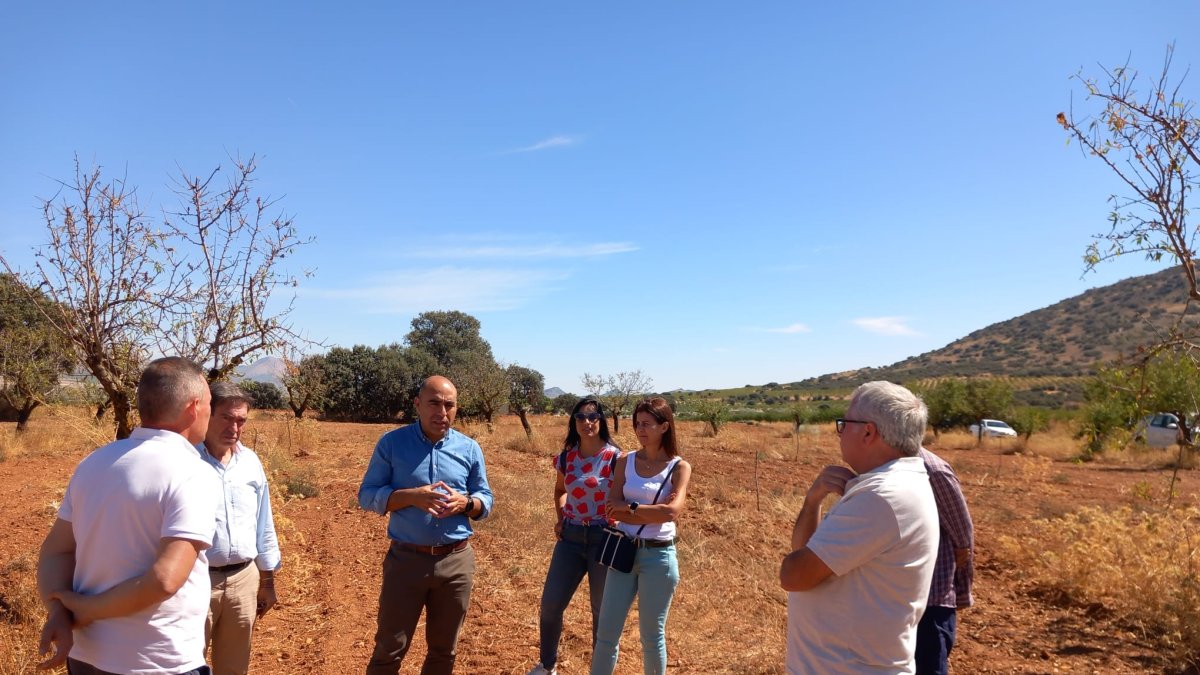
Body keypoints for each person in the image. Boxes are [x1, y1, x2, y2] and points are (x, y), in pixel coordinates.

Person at [36, 357, 220, 675]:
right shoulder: (192, 473)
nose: (210, 412)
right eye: (209, 403)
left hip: (85, 657)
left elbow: (56, 550)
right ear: (193, 407)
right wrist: (85, 609)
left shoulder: (94, 463)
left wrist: (59, 611)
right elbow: (164, 579)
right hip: (157, 662)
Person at [779, 381, 939, 674]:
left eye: (844, 423)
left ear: (868, 431)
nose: (840, 433)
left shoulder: (881, 496)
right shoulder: (892, 485)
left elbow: (794, 575)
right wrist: (812, 501)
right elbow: (805, 552)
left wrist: (795, 564)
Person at [358, 375, 494, 675]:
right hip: (406, 561)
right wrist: (410, 497)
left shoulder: (469, 449)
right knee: (389, 648)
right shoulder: (392, 444)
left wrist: (467, 504)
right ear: (417, 404)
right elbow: (366, 495)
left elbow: (486, 498)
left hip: (456, 562)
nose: (441, 413)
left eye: (449, 405)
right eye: (434, 403)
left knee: (444, 651)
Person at [590, 397, 692, 675]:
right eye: (637, 424)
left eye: (647, 423)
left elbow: (672, 512)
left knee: (651, 637)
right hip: (623, 551)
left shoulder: (679, 467)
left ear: (664, 426)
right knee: (606, 635)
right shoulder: (625, 461)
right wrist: (650, 510)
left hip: (659, 556)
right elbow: (612, 508)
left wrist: (631, 507)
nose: (640, 429)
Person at [528, 398, 623, 675]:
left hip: (603, 539)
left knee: (601, 613)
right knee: (550, 605)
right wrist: (560, 518)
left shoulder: (616, 458)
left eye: (593, 417)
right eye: (580, 417)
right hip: (569, 538)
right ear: (574, 422)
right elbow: (560, 491)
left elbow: (624, 498)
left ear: (602, 420)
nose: (587, 422)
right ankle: (547, 666)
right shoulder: (567, 457)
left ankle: (600, 669)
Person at [197, 382, 283, 675]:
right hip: (195, 581)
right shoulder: (185, 462)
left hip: (244, 580)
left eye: (241, 420)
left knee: (234, 668)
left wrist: (267, 582)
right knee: (186, 665)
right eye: (226, 417)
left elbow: (264, 523)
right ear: (206, 414)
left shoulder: (250, 462)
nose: (234, 427)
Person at [914, 446, 974, 675]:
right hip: (897, 604)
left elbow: (963, 540)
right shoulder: (878, 468)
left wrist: (962, 590)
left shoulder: (933, 471)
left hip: (931, 605)